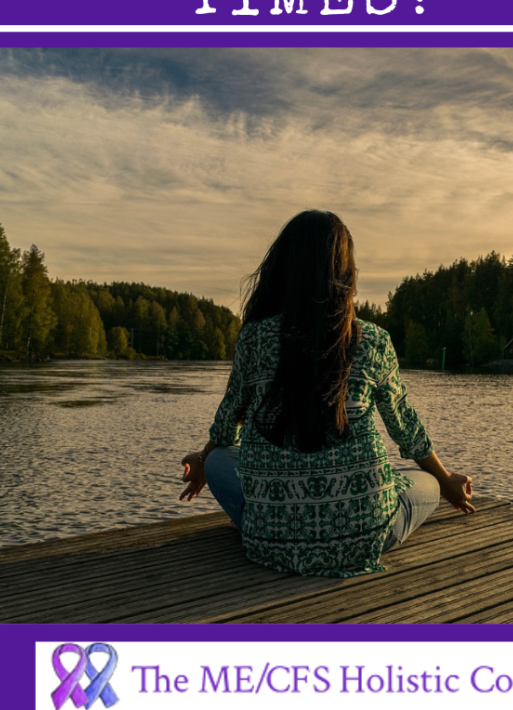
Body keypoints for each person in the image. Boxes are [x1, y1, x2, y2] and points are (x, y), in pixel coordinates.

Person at [180, 210, 474, 578]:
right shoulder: (374, 341)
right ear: (346, 273)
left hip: (270, 542)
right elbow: (406, 430)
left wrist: (205, 458)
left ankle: (263, 520)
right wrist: (447, 482)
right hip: (365, 536)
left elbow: (227, 425)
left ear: (283, 268)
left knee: (221, 459)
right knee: (426, 482)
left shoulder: (254, 338)